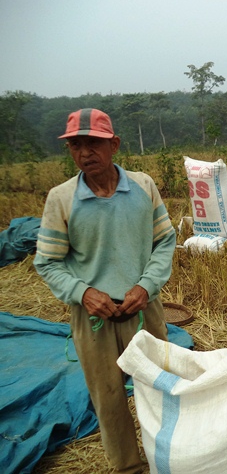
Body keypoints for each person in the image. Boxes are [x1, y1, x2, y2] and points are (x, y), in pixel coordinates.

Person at [34, 108, 176, 474]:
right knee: (108, 398)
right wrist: (82, 293)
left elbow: (164, 241)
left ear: (114, 145)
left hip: (144, 309)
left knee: (161, 384)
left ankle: (171, 454)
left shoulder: (143, 186)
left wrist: (146, 286)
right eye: (75, 146)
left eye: (93, 144)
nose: (84, 153)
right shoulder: (61, 199)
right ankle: (129, 466)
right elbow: (47, 262)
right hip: (93, 318)